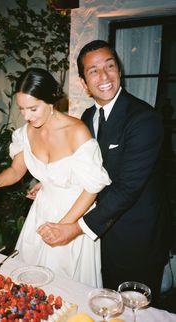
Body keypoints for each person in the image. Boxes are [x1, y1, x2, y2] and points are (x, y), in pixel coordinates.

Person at [37, 40, 170, 306]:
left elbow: (127, 187)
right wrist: (50, 183)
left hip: (135, 239)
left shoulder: (144, 119)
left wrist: (75, 228)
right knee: (101, 304)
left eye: (110, 66)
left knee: (135, 312)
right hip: (98, 241)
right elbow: (82, 167)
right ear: (84, 82)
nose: (104, 76)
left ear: (119, 70)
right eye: (94, 70)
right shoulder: (87, 117)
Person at [0, 67, 111, 287]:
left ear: (51, 101)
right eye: (22, 109)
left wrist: (64, 227)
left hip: (73, 215)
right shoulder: (25, 133)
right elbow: (17, 170)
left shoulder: (77, 132)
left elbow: (92, 188)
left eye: (33, 108)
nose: (27, 116)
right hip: (41, 212)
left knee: (63, 288)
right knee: (29, 283)